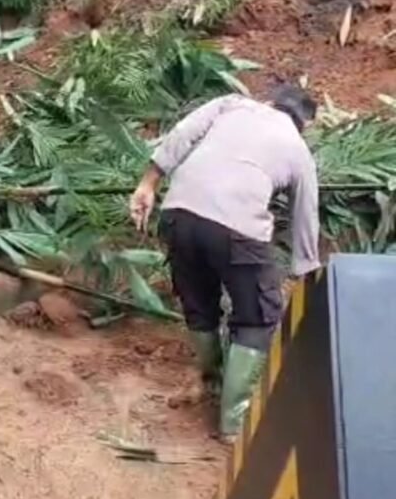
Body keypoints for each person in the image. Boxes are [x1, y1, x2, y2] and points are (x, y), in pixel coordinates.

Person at [129, 84, 319, 441]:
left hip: (178, 215)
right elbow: (305, 218)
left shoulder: (231, 105)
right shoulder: (297, 149)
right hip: (237, 232)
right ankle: (234, 423)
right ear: (304, 124)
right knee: (257, 315)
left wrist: (147, 184)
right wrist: (306, 271)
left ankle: (210, 386)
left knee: (200, 304)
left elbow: (181, 135)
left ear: (268, 100)